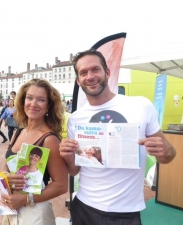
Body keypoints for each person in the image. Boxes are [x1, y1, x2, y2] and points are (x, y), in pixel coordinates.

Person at [59, 49, 176, 225]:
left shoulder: (140, 105)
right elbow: (74, 170)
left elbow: (168, 156)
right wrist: (68, 157)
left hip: (125, 212)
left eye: (95, 69)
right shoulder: (76, 118)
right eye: (83, 72)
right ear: (78, 80)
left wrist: (165, 150)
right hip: (84, 206)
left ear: (107, 72)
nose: (90, 76)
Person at [0, 79, 68, 225]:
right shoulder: (18, 132)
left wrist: (26, 199)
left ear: (49, 106)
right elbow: (6, 165)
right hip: (11, 208)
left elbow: (61, 185)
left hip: (35, 211)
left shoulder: (49, 139)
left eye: (41, 100)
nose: (33, 104)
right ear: (23, 101)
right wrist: (6, 177)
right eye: (29, 98)